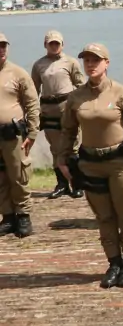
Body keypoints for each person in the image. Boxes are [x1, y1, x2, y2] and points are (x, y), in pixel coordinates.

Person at [58, 43, 123, 289]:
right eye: (87, 60)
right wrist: (63, 159)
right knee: (104, 216)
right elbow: (67, 130)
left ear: (107, 63)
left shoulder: (122, 93)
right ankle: (114, 263)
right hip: (91, 165)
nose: (91, 64)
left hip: (120, 163)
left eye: (96, 60)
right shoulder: (76, 97)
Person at [30, 30, 86, 200]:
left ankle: (77, 184)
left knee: (72, 147)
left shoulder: (71, 62)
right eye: (51, 43)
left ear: (63, 44)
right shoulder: (39, 65)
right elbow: (33, 90)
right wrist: (35, 112)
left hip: (67, 108)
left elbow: (81, 85)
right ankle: (62, 184)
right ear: (45, 45)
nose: (54, 46)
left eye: (57, 43)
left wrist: (79, 108)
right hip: (48, 109)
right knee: (55, 149)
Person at [0, 33, 40, 239]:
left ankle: (23, 216)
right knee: (1, 178)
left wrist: (32, 132)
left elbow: (33, 104)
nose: (1, 49)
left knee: (19, 176)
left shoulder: (18, 73)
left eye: (3, 46)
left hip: (13, 135)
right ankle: (8, 217)